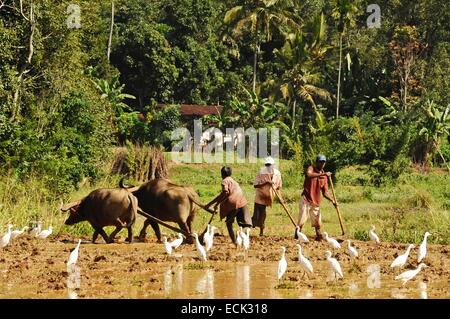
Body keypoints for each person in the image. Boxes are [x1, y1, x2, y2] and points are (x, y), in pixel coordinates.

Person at [205, 166, 252, 244]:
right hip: (242, 200)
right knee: (244, 223)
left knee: (229, 223)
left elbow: (225, 192)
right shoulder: (233, 181)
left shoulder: (224, 181)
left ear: (222, 174)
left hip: (232, 203)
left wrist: (212, 204)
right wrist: (216, 203)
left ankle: (235, 241)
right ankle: (245, 240)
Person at [296, 154, 337, 241]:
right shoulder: (311, 168)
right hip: (306, 198)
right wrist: (322, 174)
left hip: (316, 201)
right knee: (302, 219)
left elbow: (325, 192)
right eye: (320, 162)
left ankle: (319, 237)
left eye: (323, 162)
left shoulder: (324, 177)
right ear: (317, 162)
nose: (322, 164)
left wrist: (332, 200)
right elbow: (308, 175)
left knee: (317, 221)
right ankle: (296, 236)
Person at [251, 156, 282, 236]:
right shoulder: (261, 172)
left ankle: (261, 232)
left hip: (268, 197)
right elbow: (255, 185)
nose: (268, 167)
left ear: (273, 165)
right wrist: (266, 183)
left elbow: (278, 187)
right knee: (256, 216)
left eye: (270, 165)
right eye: (267, 165)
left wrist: (280, 198)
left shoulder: (277, 174)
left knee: (263, 215)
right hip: (260, 196)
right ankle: (247, 227)